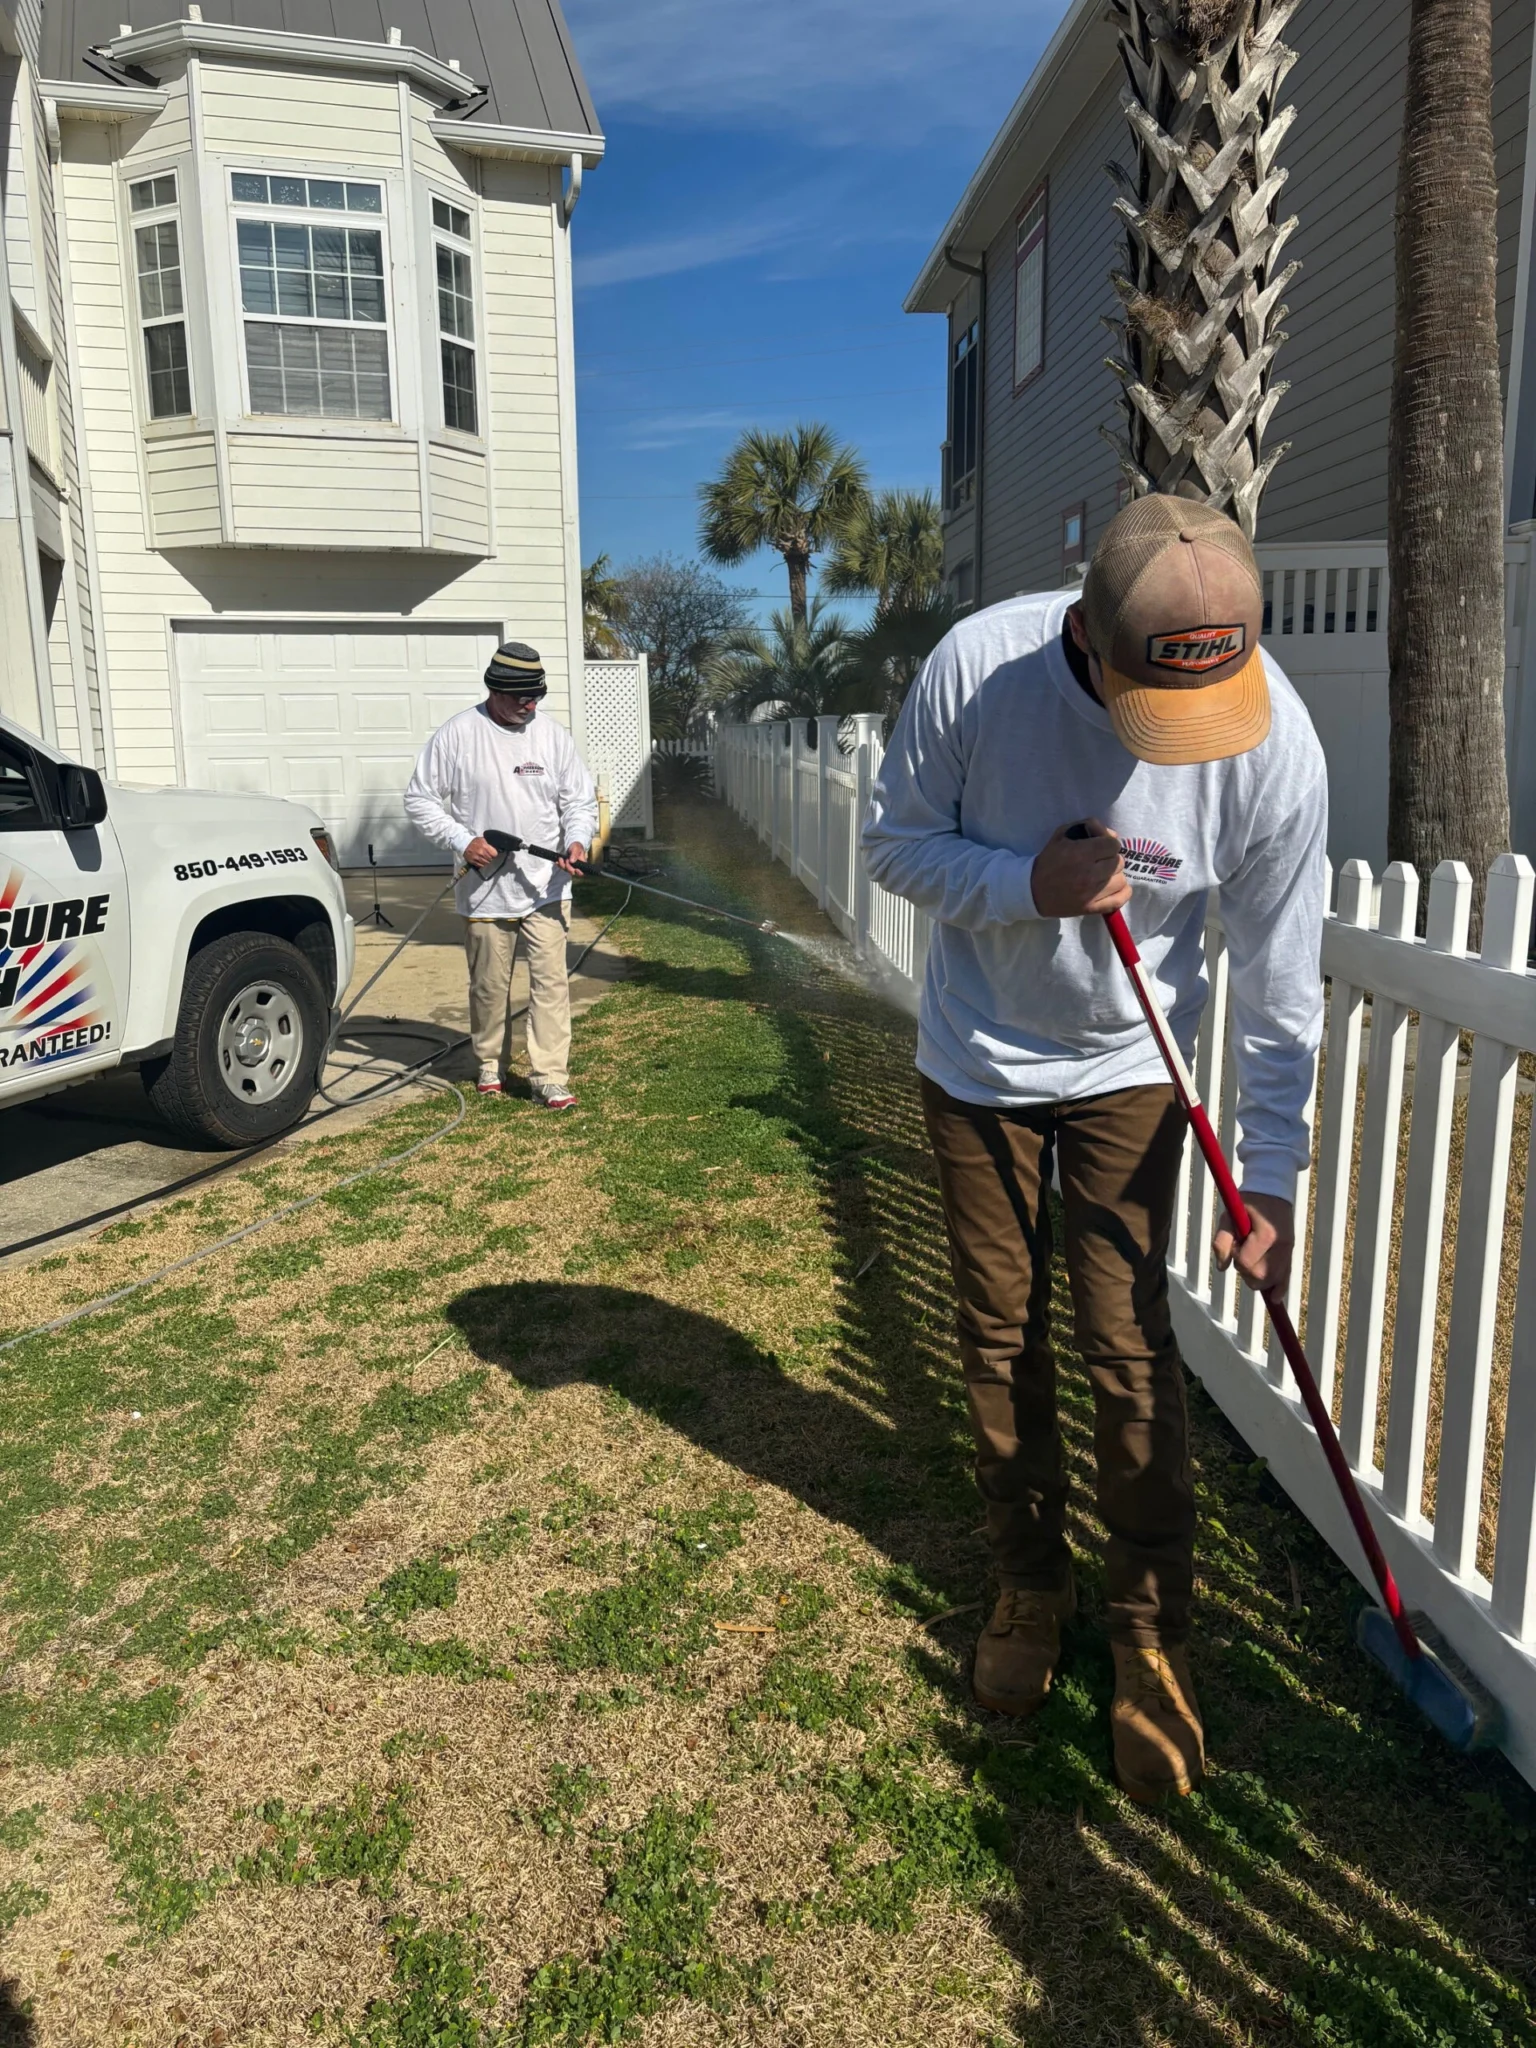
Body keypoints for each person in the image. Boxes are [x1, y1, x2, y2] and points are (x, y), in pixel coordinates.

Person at [862, 495, 1326, 1804]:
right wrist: (1030, 888)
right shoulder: (980, 668)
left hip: (1135, 1063)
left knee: (1127, 1345)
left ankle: (1150, 1632)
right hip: (982, 1061)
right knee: (997, 1333)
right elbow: (895, 846)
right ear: (1085, 631)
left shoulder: (1274, 739)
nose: (1184, 747)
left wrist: (1271, 1173)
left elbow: (1284, 987)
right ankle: (1027, 1584)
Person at [405, 641, 598, 1110]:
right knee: (490, 986)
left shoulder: (551, 736)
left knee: (550, 984)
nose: (530, 706)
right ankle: (491, 1062)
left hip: (546, 886)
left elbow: (579, 801)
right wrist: (462, 840)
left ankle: (549, 1074)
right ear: (495, 690)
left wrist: (577, 840)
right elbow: (420, 799)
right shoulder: (458, 735)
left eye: (537, 696)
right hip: (485, 888)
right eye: (521, 698)